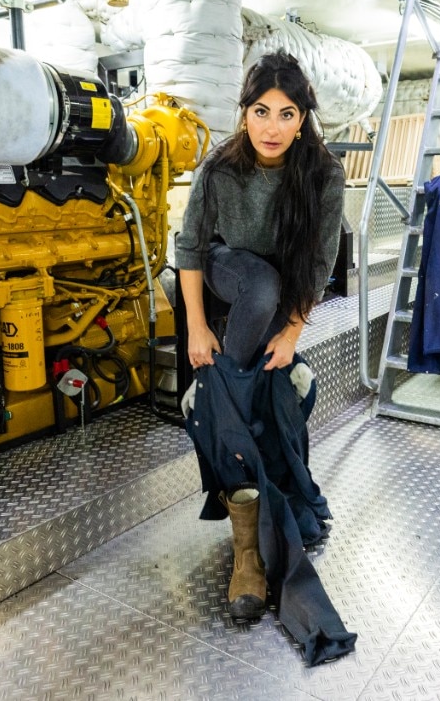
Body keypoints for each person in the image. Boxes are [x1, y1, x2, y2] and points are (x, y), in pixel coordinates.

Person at [174, 51, 345, 622]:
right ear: (244, 113)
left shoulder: (321, 173)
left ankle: (275, 493)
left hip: (280, 298)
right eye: (261, 111)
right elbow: (191, 250)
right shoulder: (220, 168)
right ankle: (246, 552)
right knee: (261, 286)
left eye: (287, 114)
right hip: (228, 274)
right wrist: (197, 327)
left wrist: (293, 334)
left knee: (281, 401)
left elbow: (321, 260)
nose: (273, 127)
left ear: (303, 119)